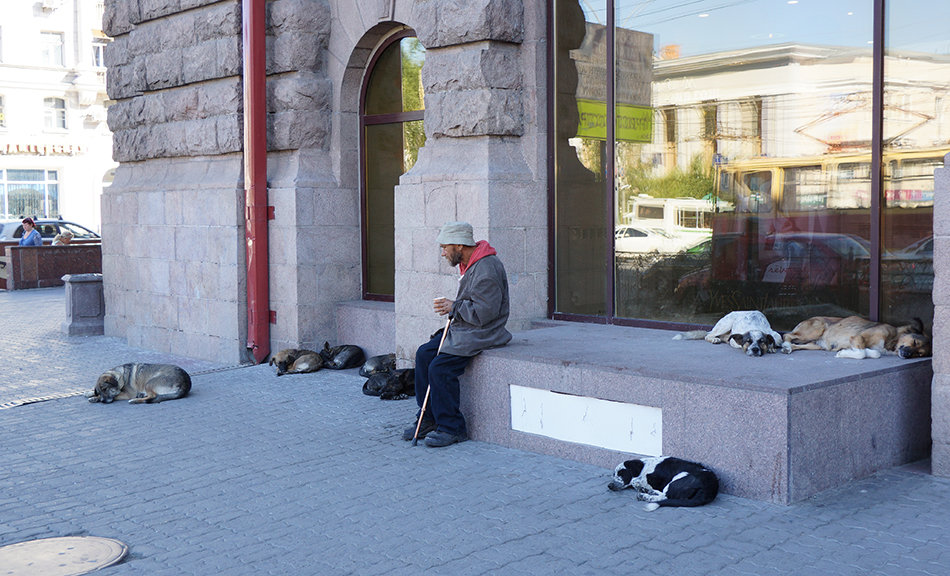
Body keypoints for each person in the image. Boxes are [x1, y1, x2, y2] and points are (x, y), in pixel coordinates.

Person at [404, 221, 512, 447]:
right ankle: (428, 417)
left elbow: (486, 313)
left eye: (445, 247)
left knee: (440, 367)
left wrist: (453, 307)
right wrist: (454, 308)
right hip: (465, 326)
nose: (443, 253)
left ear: (460, 246)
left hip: (483, 331)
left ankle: (452, 427)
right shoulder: (470, 263)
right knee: (425, 354)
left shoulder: (486, 268)